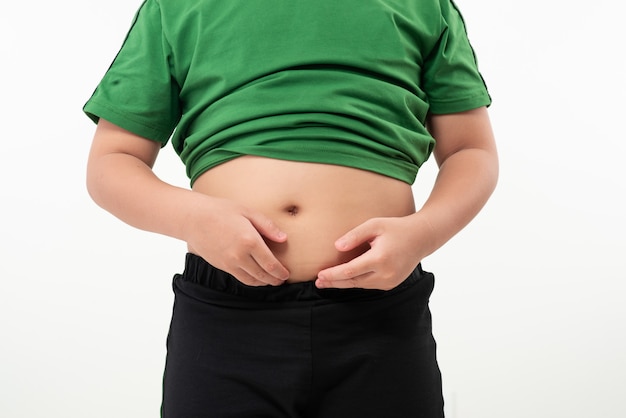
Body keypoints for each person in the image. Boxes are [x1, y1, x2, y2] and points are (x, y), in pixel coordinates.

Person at [84, 0, 498, 416]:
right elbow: (112, 163)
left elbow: (470, 149)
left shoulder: (424, 5)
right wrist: (193, 218)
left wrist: (423, 233)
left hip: (380, 317)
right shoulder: (175, 7)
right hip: (227, 320)